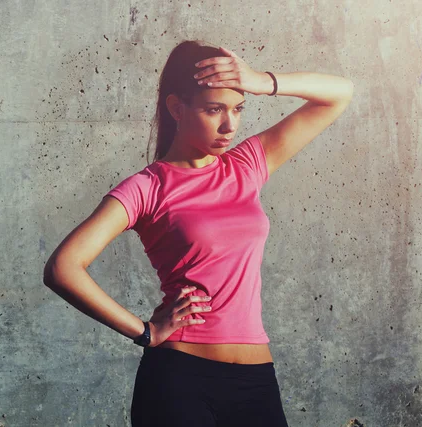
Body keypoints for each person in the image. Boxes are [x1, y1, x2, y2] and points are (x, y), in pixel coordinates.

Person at [43, 40, 353, 427]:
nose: (230, 125)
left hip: (255, 381)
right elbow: (63, 267)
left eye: (238, 109)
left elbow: (340, 94)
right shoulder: (148, 187)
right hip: (180, 381)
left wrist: (259, 81)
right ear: (177, 108)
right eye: (214, 109)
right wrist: (144, 332)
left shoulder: (247, 165)